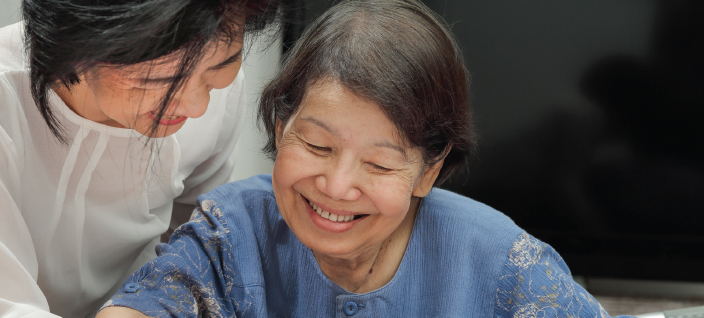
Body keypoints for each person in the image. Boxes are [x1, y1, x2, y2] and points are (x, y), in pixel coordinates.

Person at [97, 0, 635, 317]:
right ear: (281, 126)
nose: (336, 185)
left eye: (379, 165)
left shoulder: (503, 262)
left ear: (430, 168)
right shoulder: (230, 232)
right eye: (316, 146)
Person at [0, 0, 288, 317]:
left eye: (218, 69)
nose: (197, 107)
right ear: (78, 38)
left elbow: (195, 249)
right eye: (160, 81)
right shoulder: (7, 101)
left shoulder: (217, 90)